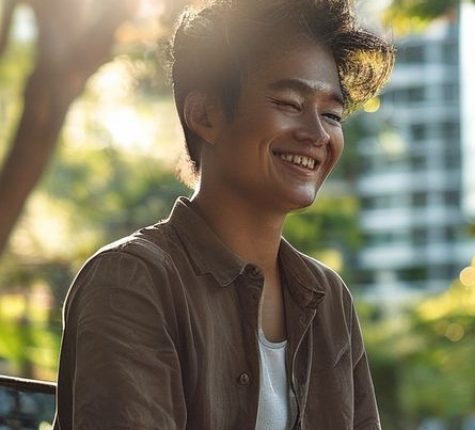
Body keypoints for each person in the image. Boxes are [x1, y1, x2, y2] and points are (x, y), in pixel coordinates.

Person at [53, 0, 394, 428]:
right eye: (290, 103)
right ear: (205, 115)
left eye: (331, 114)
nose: (317, 134)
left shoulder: (327, 299)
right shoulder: (132, 280)